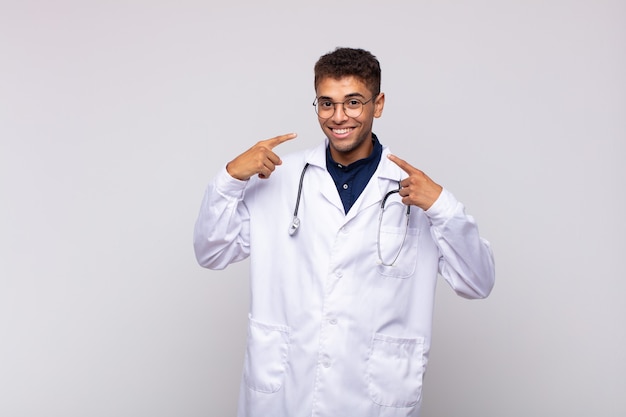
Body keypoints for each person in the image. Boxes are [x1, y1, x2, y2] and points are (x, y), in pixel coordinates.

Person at [193, 47, 495, 417]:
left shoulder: (415, 191)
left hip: (373, 397)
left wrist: (442, 206)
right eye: (326, 103)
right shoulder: (279, 177)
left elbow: (478, 282)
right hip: (286, 393)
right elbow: (211, 252)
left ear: (377, 104)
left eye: (353, 102)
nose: (339, 117)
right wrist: (230, 177)